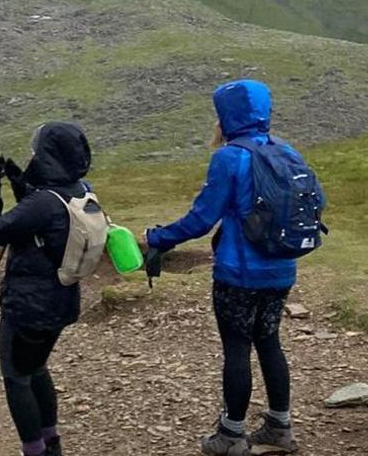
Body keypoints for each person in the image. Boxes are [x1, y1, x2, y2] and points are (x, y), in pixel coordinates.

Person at [147, 79, 314, 456]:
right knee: (269, 341)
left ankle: (231, 436)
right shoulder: (287, 152)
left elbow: (202, 218)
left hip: (238, 274)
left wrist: (159, 238)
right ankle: (279, 426)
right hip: (282, 268)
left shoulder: (229, 157)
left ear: (227, 116)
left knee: (237, 347)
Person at [0, 122, 93, 456]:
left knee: (17, 377)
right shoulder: (80, 190)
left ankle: (34, 449)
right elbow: (36, 210)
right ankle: (51, 440)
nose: (33, 153)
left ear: (50, 155)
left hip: (28, 307)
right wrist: (16, 174)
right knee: (36, 367)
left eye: (37, 149)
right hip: (62, 302)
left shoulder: (46, 202)